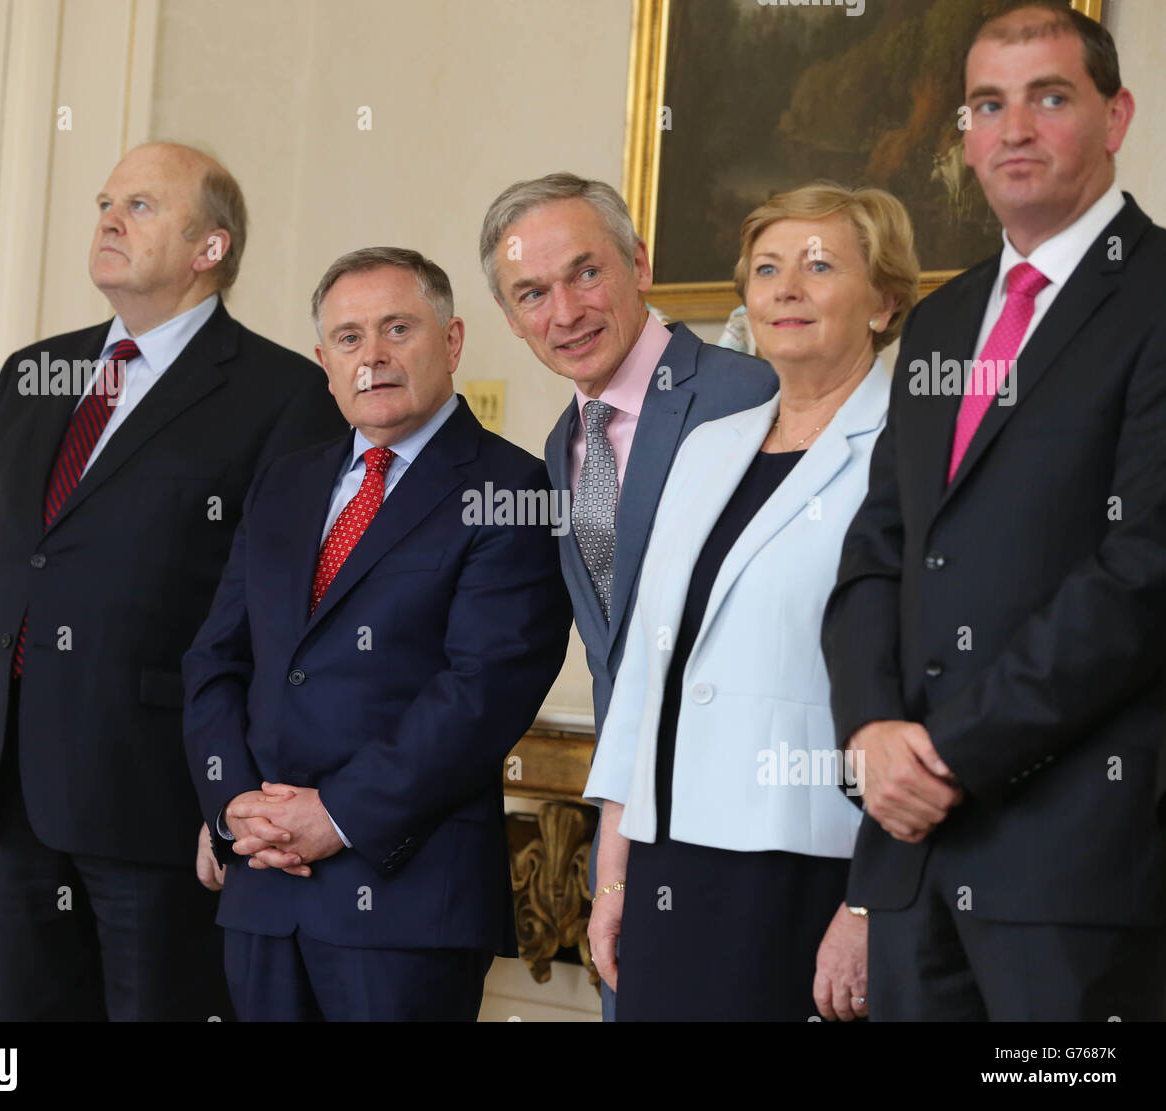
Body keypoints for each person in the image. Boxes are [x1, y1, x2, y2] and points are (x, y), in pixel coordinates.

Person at [0, 142, 347, 1020]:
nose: (109, 218)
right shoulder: (35, 372)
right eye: (106, 202)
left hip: (160, 796)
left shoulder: (286, 394)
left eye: (141, 206)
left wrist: (231, 792)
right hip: (17, 785)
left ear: (210, 247)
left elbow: (277, 621)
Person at [822, 2, 1166, 1021]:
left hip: (1075, 864)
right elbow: (878, 550)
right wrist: (870, 733)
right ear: (962, 136)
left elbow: (1142, 573)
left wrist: (950, 756)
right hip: (912, 860)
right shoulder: (941, 318)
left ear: (1115, 117)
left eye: (1048, 98)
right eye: (987, 104)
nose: (1012, 129)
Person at [183, 247, 572, 1022]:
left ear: (453, 341)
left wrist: (333, 815)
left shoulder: (513, 488)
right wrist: (231, 805)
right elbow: (217, 658)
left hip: (404, 900)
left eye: (399, 328)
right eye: (350, 338)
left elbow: (482, 691)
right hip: (263, 890)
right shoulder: (285, 481)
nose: (375, 357)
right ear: (324, 362)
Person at [584, 182, 920, 1020]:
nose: (785, 289)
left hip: (809, 863)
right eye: (766, 269)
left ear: (883, 301)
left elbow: (926, 687)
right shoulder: (708, 446)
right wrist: (615, 867)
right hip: (670, 856)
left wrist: (874, 900)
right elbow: (647, 673)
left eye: (818, 266)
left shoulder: (916, 452)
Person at [480, 172, 776, 1018]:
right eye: (532, 293)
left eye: (585, 273)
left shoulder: (746, 396)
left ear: (639, 264)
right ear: (509, 319)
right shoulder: (561, 442)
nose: (564, 312)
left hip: (744, 832)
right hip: (634, 836)